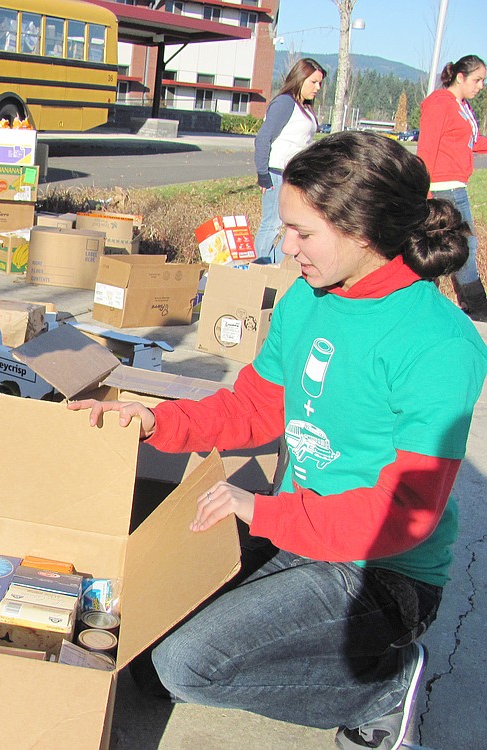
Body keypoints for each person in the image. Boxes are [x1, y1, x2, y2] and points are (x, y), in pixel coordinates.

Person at [70, 132, 487, 750]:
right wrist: (156, 422)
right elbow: (253, 408)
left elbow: (405, 514)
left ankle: (384, 688)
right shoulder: (310, 299)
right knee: (140, 640)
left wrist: (262, 510)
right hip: (298, 533)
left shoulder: (439, 344)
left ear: (364, 229)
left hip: (379, 572)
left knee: (184, 665)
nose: (284, 248)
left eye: (302, 232)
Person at [418, 54, 487, 322]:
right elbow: (426, 148)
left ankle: (441, 301)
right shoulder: (439, 103)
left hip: (458, 185)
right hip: (443, 188)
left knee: (449, 245)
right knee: (463, 244)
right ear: (460, 77)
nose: (481, 86)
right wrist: (424, 191)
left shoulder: (462, 106)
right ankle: (478, 306)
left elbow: (471, 140)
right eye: (477, 80)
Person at [253, 58, 326, 263]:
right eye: (313, 82)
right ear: (300, 79)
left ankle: (274, 265)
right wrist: (263, 175)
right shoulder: (285, 103)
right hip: (277, 173)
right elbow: (263, 138)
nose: (317, 88)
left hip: (295, 176)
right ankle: (259, 268)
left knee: (294, 224)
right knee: (273, 223)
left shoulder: (305, 107)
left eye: (320, 83)